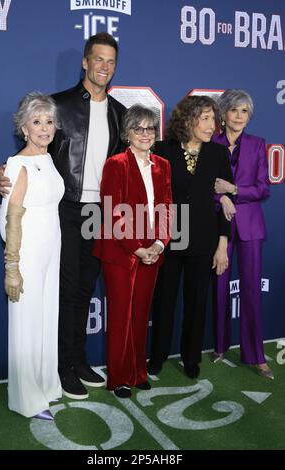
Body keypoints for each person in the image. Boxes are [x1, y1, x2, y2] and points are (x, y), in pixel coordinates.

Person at [0, 33, 126, 399]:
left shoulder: (119, 112)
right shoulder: (59, 105)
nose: (104, 67)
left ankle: (78, 359)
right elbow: (31, 155)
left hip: (100, 212)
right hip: (64, 210)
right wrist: (3, 174)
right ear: (85, 62)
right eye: (98, 59)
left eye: (111, 61)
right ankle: (62, 366)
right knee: (66, 291)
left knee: (85, 289)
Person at [148, 95, 233, 379]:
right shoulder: (162, 150)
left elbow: (224, 201)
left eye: (214, 119)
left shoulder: (218, 155)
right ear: (189, 119)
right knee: (163, 301)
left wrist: (223, 244)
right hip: (168, 237)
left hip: (202, 238)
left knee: (197, 304)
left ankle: (191, 358)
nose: (213, 125)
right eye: (206, 118)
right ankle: (157, 357)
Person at [93, 105, 172, 397]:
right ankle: (118, 378)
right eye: (138, 128)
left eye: (150, 128)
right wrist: (138, 249)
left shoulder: (163, 165)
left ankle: (138, 372)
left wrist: (160, 244)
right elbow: (113, 212)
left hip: (152, 250)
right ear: (127, 133)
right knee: (121, 316)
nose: (145, 134)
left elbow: (167, 208)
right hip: (120, 252)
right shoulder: (116, 163)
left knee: (140, 315)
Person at [0, 92, 64, 420]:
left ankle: (45, 386)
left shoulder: (49, 160)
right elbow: (12, 217)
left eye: (49, 121)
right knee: (27, 324)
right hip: (26, 252)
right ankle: (27, 398)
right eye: (36, 122)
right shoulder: (17, 165)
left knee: (45, 319)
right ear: (23, 128)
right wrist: (12, 267)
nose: (44, 128)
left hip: (50, 251)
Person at [211, 89, 273, 379]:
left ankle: (255, 355)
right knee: (220, 288)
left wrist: (234, 190)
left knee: (251, 291)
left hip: (250, 228)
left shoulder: (258, 145)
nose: (238, 116)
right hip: (218, 226)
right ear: (223, 114)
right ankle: (220, 347)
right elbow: (202, 186)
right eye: (233, 110)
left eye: (244, 111)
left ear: (249, 117)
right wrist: (220, 198)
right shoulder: (211, 143)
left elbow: (263, 189)